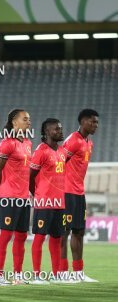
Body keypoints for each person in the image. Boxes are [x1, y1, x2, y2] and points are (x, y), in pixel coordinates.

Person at [60, 109, 99, 282]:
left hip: (79, 193)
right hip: (66, 192)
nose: (95, 125)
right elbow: (59, 163)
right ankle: (62, 272)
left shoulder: (89, 143)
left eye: (96, 122)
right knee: (64, 232)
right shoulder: (72, 141)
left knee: (79, 231)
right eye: (92, 122)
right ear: (83, 122)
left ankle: (78, 272)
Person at [0, 109, 32, 285]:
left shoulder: (27, 143)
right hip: (9, 196)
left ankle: (17, 275)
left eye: (29, 119)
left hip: (24, 197)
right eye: (25, 119)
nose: (28, 122)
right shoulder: (6, 144)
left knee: (22, 236)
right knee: (6, 235)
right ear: (14, 122)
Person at [29, 118, 66, 284]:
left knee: (57, 238)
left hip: (59, 201)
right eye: (56, 129)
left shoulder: (62, 151)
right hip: (44, 201)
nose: (60, 131)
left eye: (60, 128)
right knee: (39, 237)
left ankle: (56, 274)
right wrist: (36, 194)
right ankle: (37, 275)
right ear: (47, 132)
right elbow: (30, 176)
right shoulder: (41, 151)